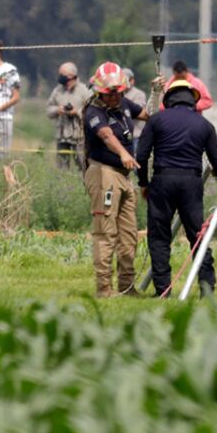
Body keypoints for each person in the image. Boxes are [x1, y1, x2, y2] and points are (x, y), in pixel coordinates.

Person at [136, 79, 217, 297]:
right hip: (191, 183)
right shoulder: (204, 125)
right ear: (192, 100)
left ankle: (163, 290)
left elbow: (141, 155)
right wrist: (216, 171)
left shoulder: (156, 121)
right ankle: (207, 288)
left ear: (168, 99)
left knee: (159, 237)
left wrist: (144, 183)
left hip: (162, 180)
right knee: (197, 236)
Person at [83, 61, 151, 298]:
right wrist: (123, 153)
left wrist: (157, 91)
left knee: (128, 234)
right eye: (109, 93)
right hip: (104, 174)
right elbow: (106, 135)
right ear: (99, 92)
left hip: (124, 176)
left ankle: (127, 286)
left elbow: (147, 115)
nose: (114, 97)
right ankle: (104, 288)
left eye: (117, 92)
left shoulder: (125, 105)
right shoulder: (93, 112)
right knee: (105, 232)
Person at [45, 62, 91, 168]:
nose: (60, 77)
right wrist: (58, 110)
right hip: (62, 136)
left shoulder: (84, 91)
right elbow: (48, 110)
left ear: (71, 76)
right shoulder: (57, 90)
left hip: (80, 137)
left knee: (83, 166)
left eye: (62, 75)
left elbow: (92, 111)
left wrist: (77, 112)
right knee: (62, 167)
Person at [121, 67, 148, 139]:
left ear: (132, 80)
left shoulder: (139, 94)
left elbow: (137, 112)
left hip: (136, 134)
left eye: (129, 80)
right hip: (123, 135)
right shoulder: (118, 95)